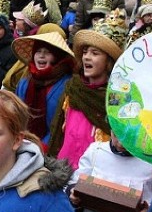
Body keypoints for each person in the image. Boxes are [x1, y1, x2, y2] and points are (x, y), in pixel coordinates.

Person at [48, 9, 127, 170]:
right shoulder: (73, 89)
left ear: (108, 62)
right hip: (65, 172)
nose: (86, 57)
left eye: (95, 53)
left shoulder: (119, 100)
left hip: (98, 177)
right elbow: (59, 134)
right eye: (85, 52)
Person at [11, 29, 77, 147]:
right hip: (22, 143)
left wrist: (42, 146)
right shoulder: (25, 82)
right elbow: (16, 115)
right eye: (38, 51)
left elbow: (63, 125)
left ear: (57, 56)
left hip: (53, 147)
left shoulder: (67, 84)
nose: (41, 55)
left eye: (47, 52)